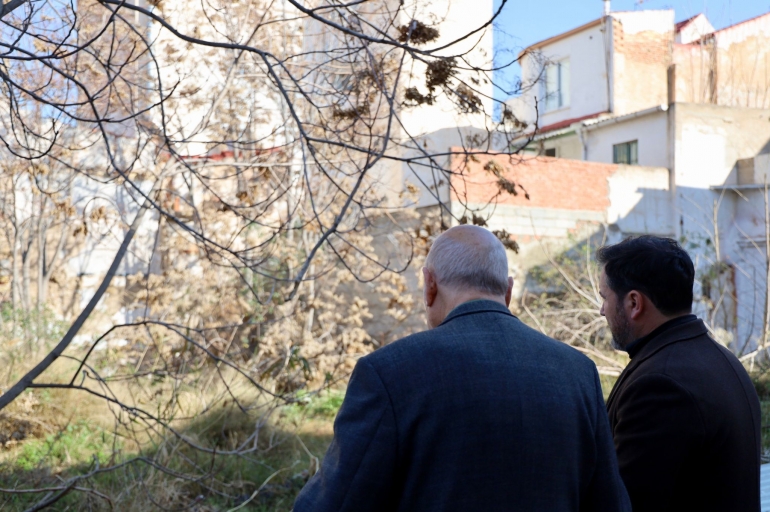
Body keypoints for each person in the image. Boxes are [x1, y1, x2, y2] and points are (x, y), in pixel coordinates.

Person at [294, 225, 630, 512]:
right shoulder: (578, 373)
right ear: (508, 290)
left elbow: (335, 503)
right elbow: (610, 503)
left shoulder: (388, 373)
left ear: (429, 285)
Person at [598, 236, 761, 512]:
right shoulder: (720, 358)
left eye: (605, 297)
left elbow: (624, 501)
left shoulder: (660, 385)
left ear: (634, 303)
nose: (602, 310)